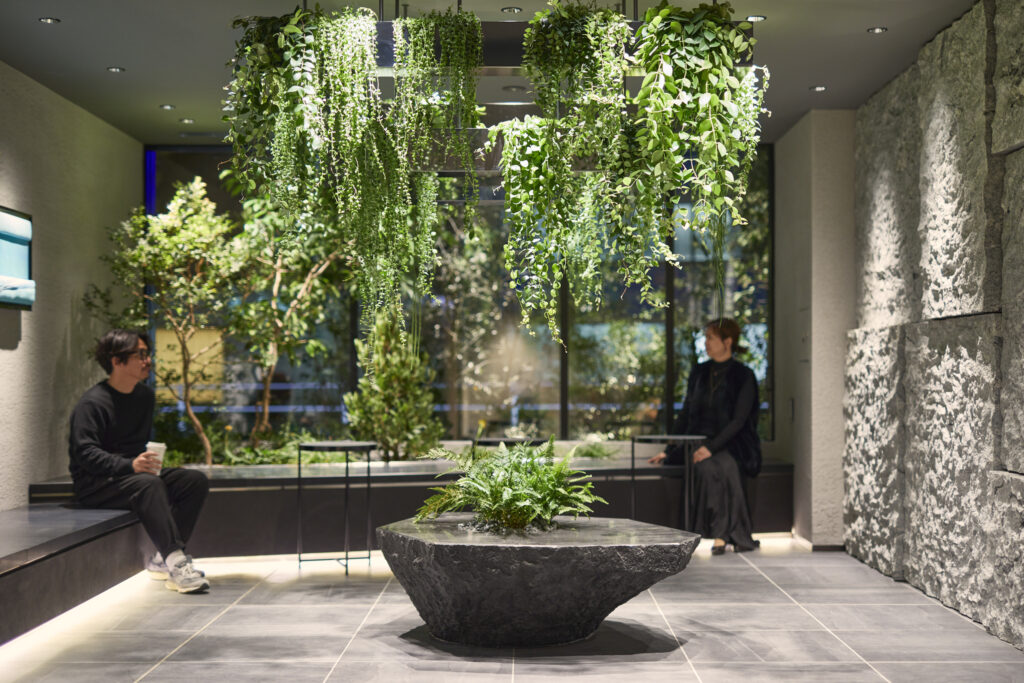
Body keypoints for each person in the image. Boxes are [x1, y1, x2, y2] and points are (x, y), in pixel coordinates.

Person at [68, 329, 210, 593]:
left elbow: (133, 448)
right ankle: (176, 563)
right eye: (141, 355)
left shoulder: (144, 397)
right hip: (96, 484)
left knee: (194, 481)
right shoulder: (92, 404)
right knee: (148, 484)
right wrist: (130, 465)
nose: (148, 361)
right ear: (117, 360)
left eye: (148, 354)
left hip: (131, 476)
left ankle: (163, 561)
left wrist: (142, 463)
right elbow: (84, 454)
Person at [649, 318, 761, 554]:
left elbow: (739, 421)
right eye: (706, 338)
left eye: (711, 338)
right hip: (697, 444)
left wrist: (711, 447)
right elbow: (686, 413)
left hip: (732, 444)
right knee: (708, 468)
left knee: (727, 466)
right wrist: (669, 449)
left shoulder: (744, 375)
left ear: (727, 341)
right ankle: (725, 534)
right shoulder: (699, 372)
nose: (706, 343)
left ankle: (724, 535)